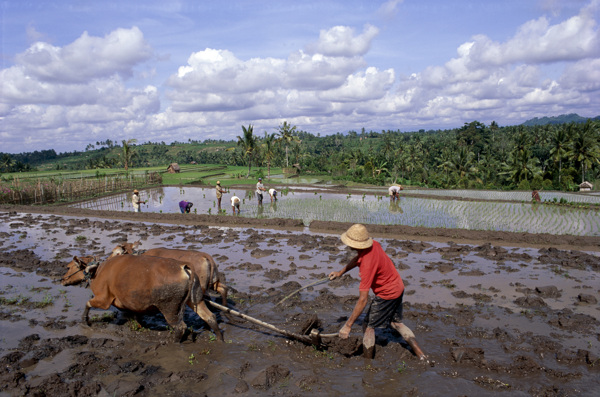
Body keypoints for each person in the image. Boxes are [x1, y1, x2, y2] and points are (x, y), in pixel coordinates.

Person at [329, 224, 427, 360]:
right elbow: (358, 258)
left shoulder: (367, 266)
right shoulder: (374, 244)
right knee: (396, 323)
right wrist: (341, 272)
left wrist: (348, 326)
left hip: (386, 294)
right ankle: (421, 355)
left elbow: (363, 300)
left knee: (368, 325)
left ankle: (368, 361)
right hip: (398, 287)